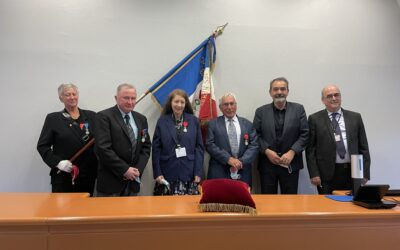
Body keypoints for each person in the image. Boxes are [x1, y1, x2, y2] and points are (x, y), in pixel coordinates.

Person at [306, 84, 370, 194]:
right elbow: (310, 149)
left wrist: (365, 173)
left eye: (336, 95)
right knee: (326, 206)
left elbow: (363, 147)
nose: (334, 98)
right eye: (329, 96)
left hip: (353, 171)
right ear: (323, 100)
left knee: (352, 206)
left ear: (341, 97)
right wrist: (314, 173)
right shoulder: (314, 119)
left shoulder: (355, 117)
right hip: (325, 173)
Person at [37, 83, 97, 196]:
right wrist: (58, 163)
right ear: (61, 98)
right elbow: (42, 146)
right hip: (64, 175)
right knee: (62, 212)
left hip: (87, 175)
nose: (72, 97)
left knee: (85, 211)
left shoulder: (92, 116)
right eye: (67, 94)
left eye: (74, 94)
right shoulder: (53, 118)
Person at [253, 77, 309, 194]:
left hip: (290, 164)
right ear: (270, 92)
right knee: (268, 203)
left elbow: (305, 133)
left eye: (283, 89)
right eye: (276, 89)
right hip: (267, 164)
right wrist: (267, 151)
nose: (279, 92)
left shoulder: (298, 109)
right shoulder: (260, 112)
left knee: (290, 203)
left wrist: (292, 152)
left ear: (287, 91)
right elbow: (255, 135)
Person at [95, 83, 151, 196]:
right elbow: (103, 149)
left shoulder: (141, 119)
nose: (130, 102)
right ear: (116, 98)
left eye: (133, 98)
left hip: (133, 182)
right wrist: (125, 170)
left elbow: (146, 147)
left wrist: (137, 170)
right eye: (126, 98)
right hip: (111, 184)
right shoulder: (103, 117)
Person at [152, 89, 204, 195]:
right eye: (176, 102)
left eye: (182, 102)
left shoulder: (194, 121)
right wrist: (157, 173)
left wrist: (198, 172)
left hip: (189, 173)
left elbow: (199, 148)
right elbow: (156, 149)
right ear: (170, 103)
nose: (179, 105)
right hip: (167, 173)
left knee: (188, 209)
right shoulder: (162, 121)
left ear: (186, 104)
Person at [206, 93, 258, 187]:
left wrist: (241, 161)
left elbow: (254, 146)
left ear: (236, 105)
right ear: (220, 107)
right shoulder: (213, 124)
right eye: (226, 104)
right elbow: (210, 145)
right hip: (219, 171)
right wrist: (228, 159)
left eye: (232, 103)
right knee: (219, 201)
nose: (229, 107)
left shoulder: (248, 124)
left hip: (242, 172)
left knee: (242, 200)